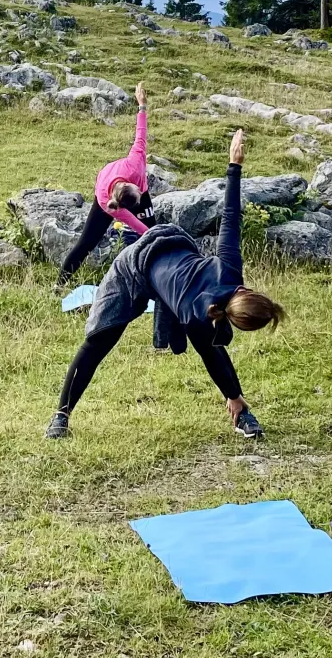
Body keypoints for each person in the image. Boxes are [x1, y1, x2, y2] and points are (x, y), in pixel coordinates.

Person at [48, 127, 282, 440]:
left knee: (199, 344)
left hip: (171, 270)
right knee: (100, 338)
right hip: (136, 264)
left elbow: (230, 217)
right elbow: (214, 356)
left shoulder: (212, 299)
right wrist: (234, 165)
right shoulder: (209, 297)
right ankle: (61, 415)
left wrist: (234, 165)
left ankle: (242, 416)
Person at [53, 82, 155, 292]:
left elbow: (141, 134)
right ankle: (59, 285)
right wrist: (153, 235)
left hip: (130, 191)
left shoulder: (134, 163)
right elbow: (137, 226)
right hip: (110, 198)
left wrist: (142, 106)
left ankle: (156, 281)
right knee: (86, 243)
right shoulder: (107, 203)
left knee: (153, 234)